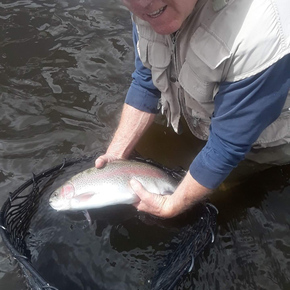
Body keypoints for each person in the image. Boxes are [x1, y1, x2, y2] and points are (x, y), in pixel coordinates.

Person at [95, 0, 290, 218]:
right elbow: (145, 82)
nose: (143, 2)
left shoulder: (261, 29)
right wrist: (115, 156)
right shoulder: (150, 10)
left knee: (221, 201)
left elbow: (228, 144)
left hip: (263, 148)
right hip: (212, 126)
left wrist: (171, 205)